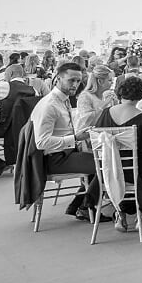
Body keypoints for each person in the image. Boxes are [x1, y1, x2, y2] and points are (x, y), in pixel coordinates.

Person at [91, 75, 142, 230]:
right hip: (136, 168)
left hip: (109, 167)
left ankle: (121, 214)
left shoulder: (106, 113)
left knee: (129, 167)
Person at [30, 62, 99, 221]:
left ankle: (78, 205)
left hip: (67, 153)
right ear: (57, 79)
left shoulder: (64, 99)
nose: (76, 84)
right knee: (106, 163)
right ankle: (86, 207)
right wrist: (75, 138)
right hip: (53, 159)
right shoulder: (49, 105)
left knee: (103, 158)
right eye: (71, 80)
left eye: (78, 81)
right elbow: (42, 142)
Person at [75, 64, 115, 131]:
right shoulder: (85, 96)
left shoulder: (105, 95)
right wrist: (104, 104)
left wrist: (116, 105)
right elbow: (86, 121)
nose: (112, 83)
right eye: (110, 80)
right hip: (86, 136)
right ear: (100, 81)